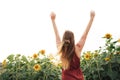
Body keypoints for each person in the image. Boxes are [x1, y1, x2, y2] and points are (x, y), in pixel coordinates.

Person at [50, 11, 95, 80]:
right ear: (73, 39)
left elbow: (57, 35)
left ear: (63, 38)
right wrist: (91, 18)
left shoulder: (61, 48)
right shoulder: (77, 48)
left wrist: (53, 20)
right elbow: (84, 36)